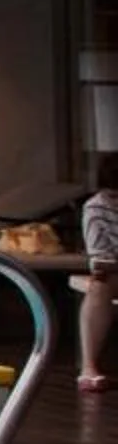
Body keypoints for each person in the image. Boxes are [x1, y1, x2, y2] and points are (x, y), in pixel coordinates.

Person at [79, 151, 118, 394]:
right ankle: (89, 367)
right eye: (113, 196)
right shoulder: (96, 207)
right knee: (99, 287)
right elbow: (100, 255)